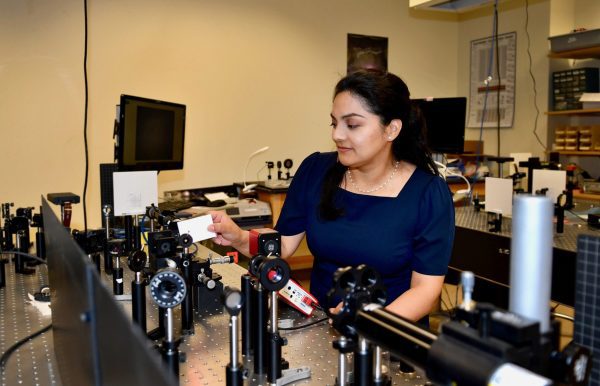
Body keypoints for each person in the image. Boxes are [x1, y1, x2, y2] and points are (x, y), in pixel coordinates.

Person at [209, 69, 455, 325]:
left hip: (389, 339)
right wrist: (238, 237)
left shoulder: (428, 194)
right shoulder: (315, 170)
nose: (337, 134)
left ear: (391, 129)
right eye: (334, 123)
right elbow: (281, 246)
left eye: (352, 125)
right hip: (319, 329)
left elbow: (426, 290)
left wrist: (369, 324)